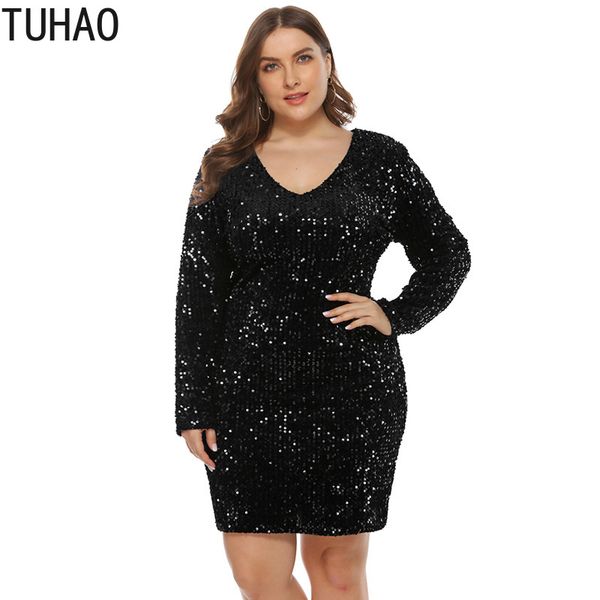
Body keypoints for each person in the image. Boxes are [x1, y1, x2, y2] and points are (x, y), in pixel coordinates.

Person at [174, 6, 471, 599]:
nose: (291, 78)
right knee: (257, 576)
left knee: (337, 575)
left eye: (303, 58)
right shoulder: (224, 164)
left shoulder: (382, 159)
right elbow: (198, 293)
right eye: (271, 66)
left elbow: (449, 253)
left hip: (354, 391)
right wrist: (192, 404)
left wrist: (395, 313)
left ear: (328, 62)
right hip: (248, 393)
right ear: (254, 79)